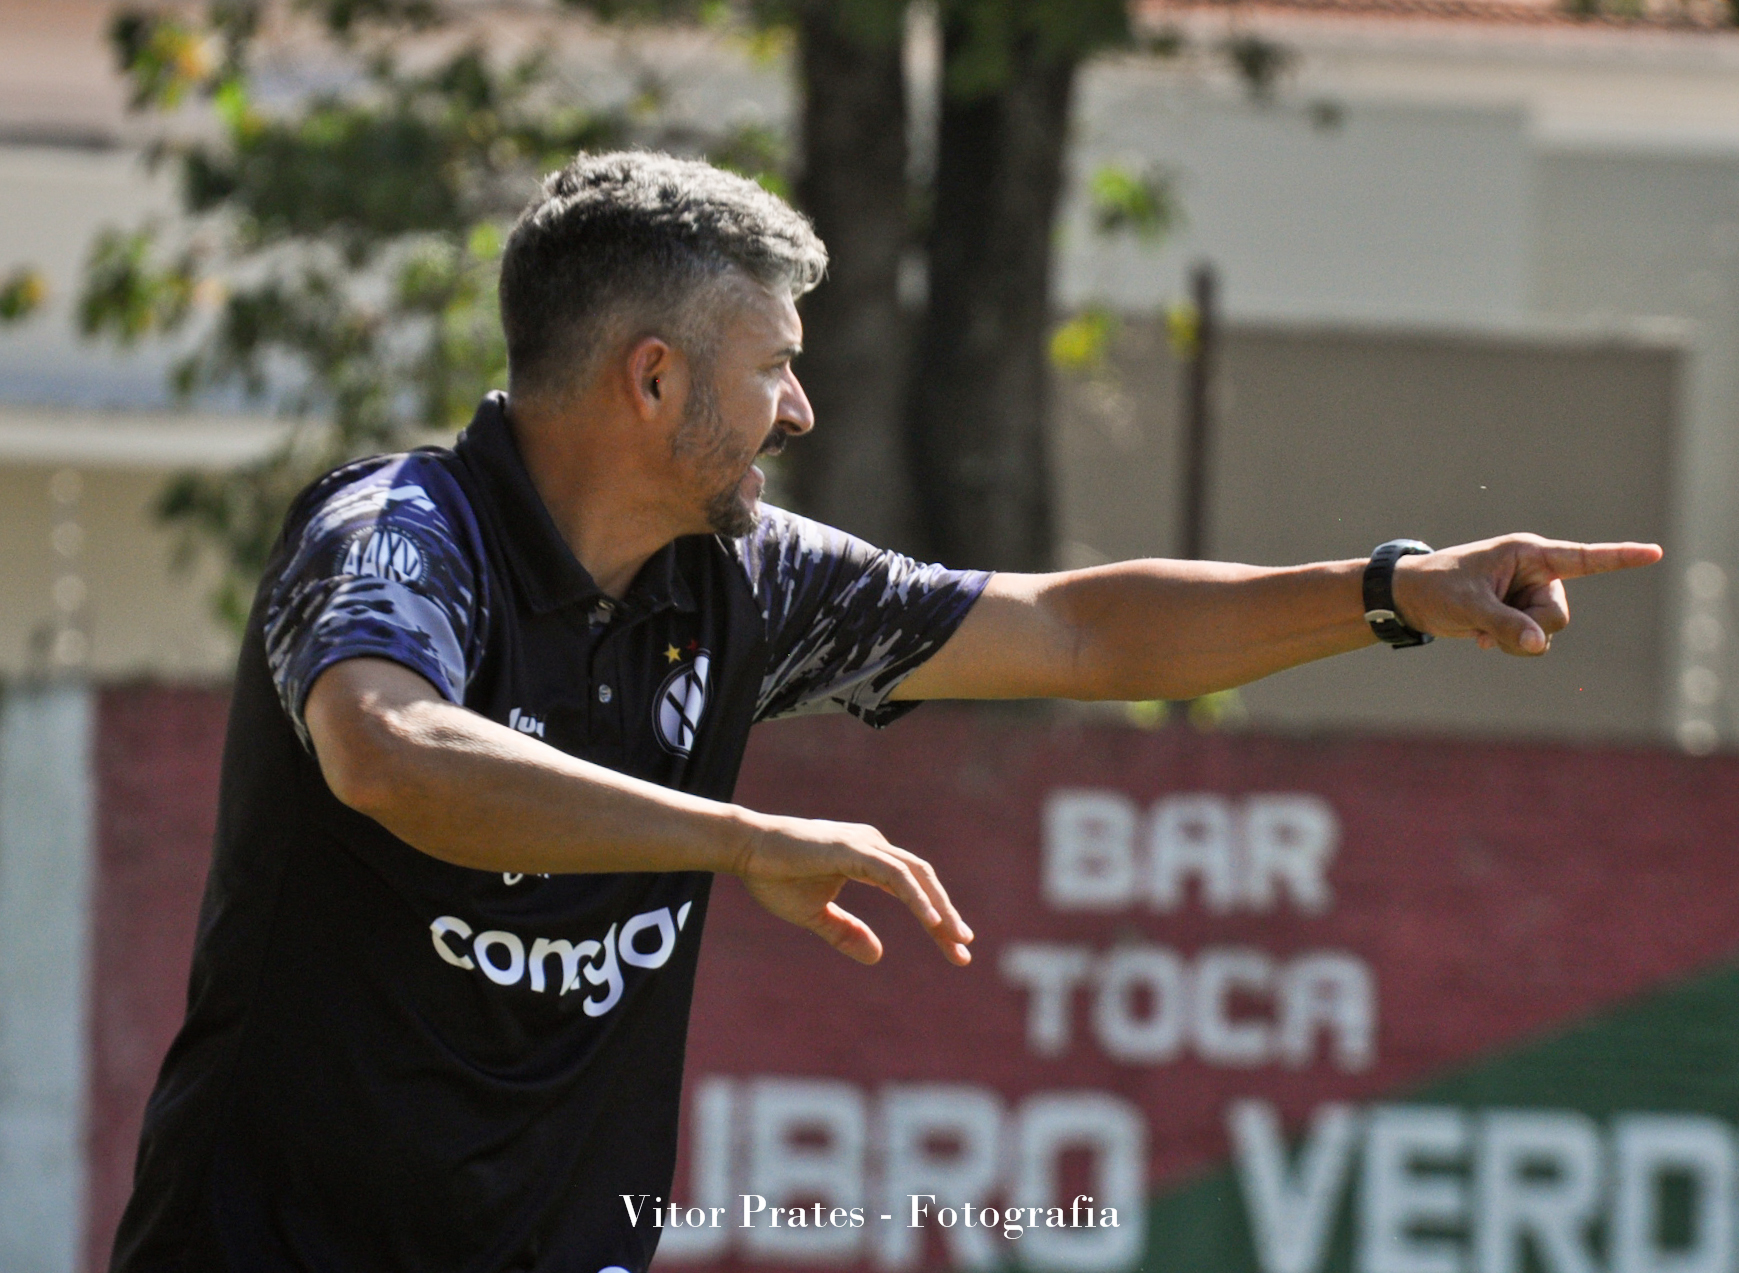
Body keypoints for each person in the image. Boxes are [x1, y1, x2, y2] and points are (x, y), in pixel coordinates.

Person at [110, 151, 1660, 1273]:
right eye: (774, 366)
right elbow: (390, 751)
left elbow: (1073, 630)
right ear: (653, 381)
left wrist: (1395, 588)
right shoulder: (400, 531)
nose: (799, 407)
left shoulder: (738, 584)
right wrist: (738, 837)